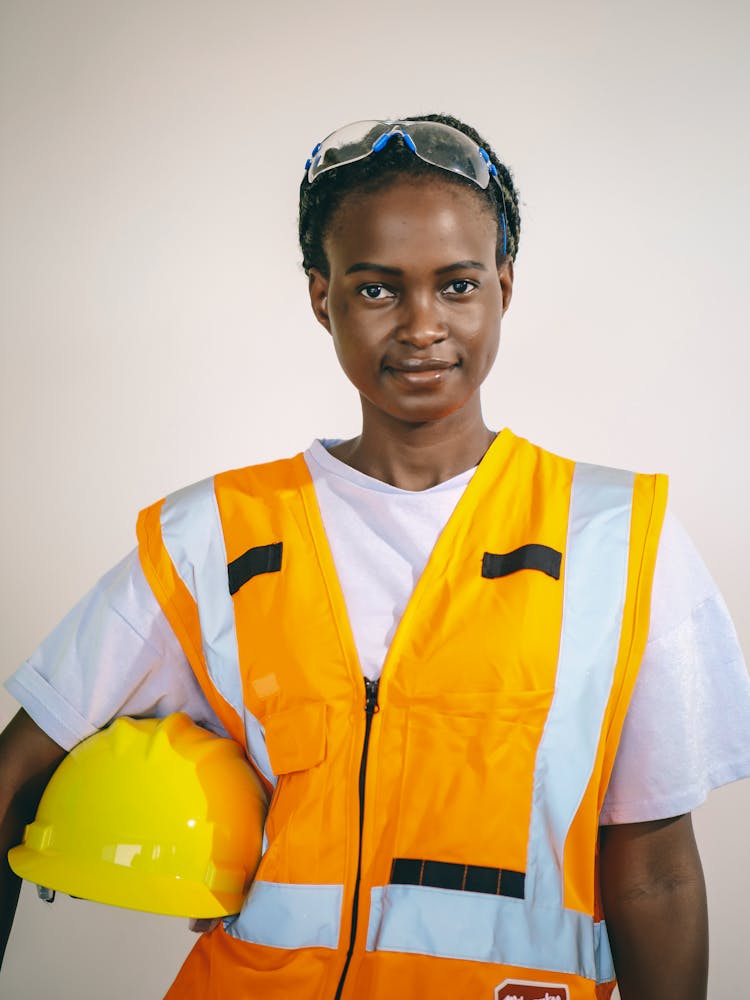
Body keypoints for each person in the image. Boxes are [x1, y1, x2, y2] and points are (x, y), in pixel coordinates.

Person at [1, 114, 749, 1000]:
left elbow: (655, 868)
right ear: (323, 296)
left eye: (458, 284)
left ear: (503, 287)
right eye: (377, 289)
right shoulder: (216, 536)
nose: (423, 325)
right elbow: (14, 775)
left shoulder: (623, 542)